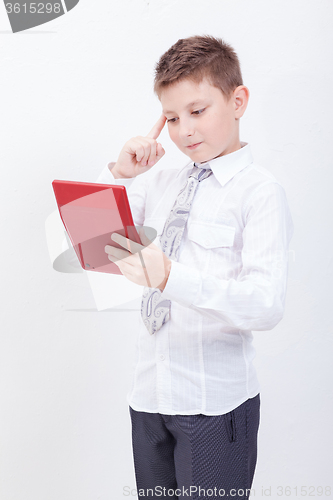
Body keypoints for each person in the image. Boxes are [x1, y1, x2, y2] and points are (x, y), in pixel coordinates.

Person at [97, 35, 293, 499]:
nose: (184, 130)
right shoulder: (160, 181)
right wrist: (121, 175)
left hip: (215, 406)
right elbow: (94, 238)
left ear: (238, 100)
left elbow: (266, 306)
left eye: (197, 111)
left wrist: (171, 278)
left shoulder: (260, 193)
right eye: (171, 118)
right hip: (148, 398)